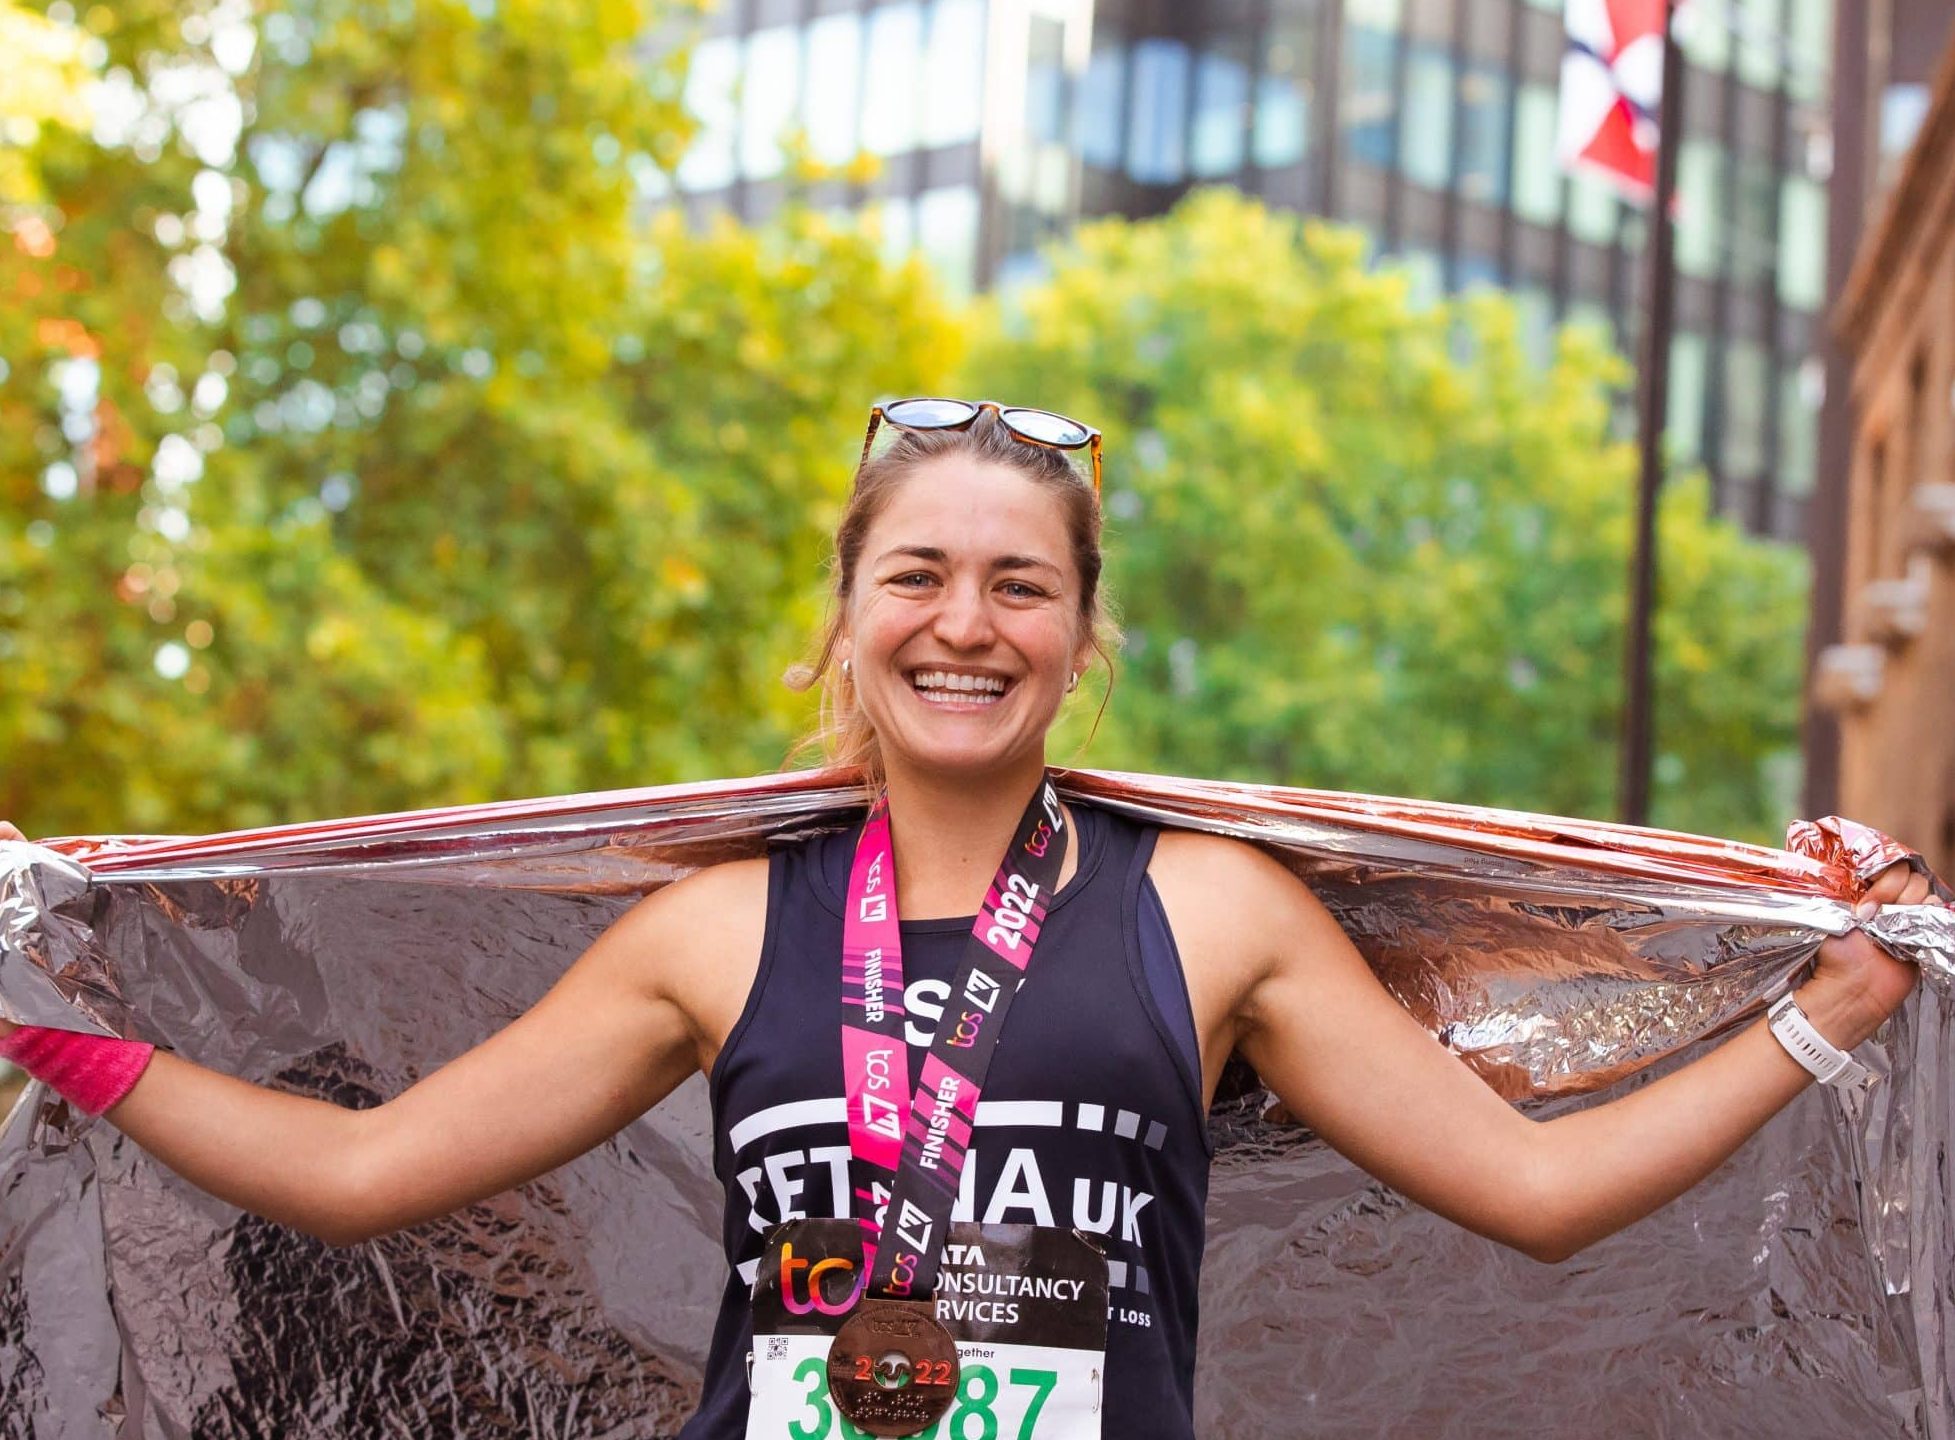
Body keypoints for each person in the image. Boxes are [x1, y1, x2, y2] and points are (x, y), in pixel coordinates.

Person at [0, 399, 1944, 1439]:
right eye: (919, 574)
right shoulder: (717, 935)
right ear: (846, 617)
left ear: (1081, 641)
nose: (966, 624)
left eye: (1024, 588)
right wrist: (50, 1035)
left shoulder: (1219, 916)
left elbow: (1535, 1196)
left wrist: (1830, 1005)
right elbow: (363, 1172)